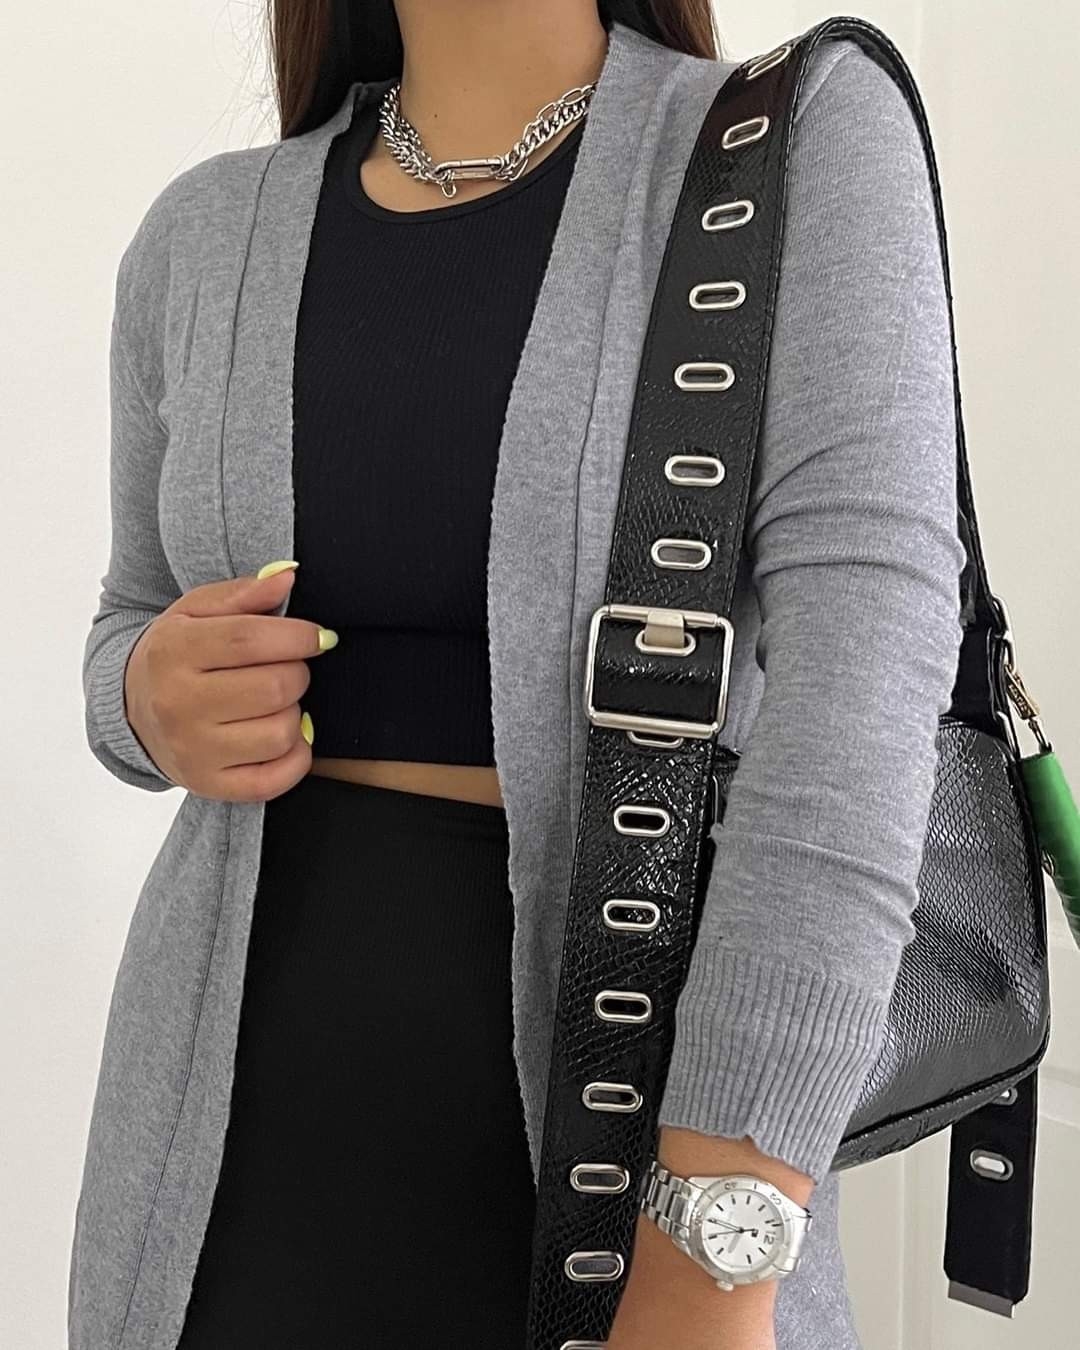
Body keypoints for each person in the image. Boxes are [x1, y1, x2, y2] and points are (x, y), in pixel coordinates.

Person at [69, 1, 967, 1347]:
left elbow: (862, 699)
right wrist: (147, 693)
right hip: (217, 1181)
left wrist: (716, 1247)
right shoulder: (200, 234)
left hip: (627, 1171)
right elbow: (126, 623)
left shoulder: (792, 147)